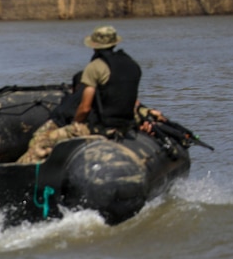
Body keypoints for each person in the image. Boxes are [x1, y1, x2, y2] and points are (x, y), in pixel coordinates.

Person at [16, 25, 142, 164]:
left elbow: (85, 108)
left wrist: (75, 125)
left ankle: (20, 173)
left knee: (41, 141)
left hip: (101, 128)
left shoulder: (95, 67)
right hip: (125, 126)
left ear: (94, 45)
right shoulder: (132, 65)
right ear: (114, 42)